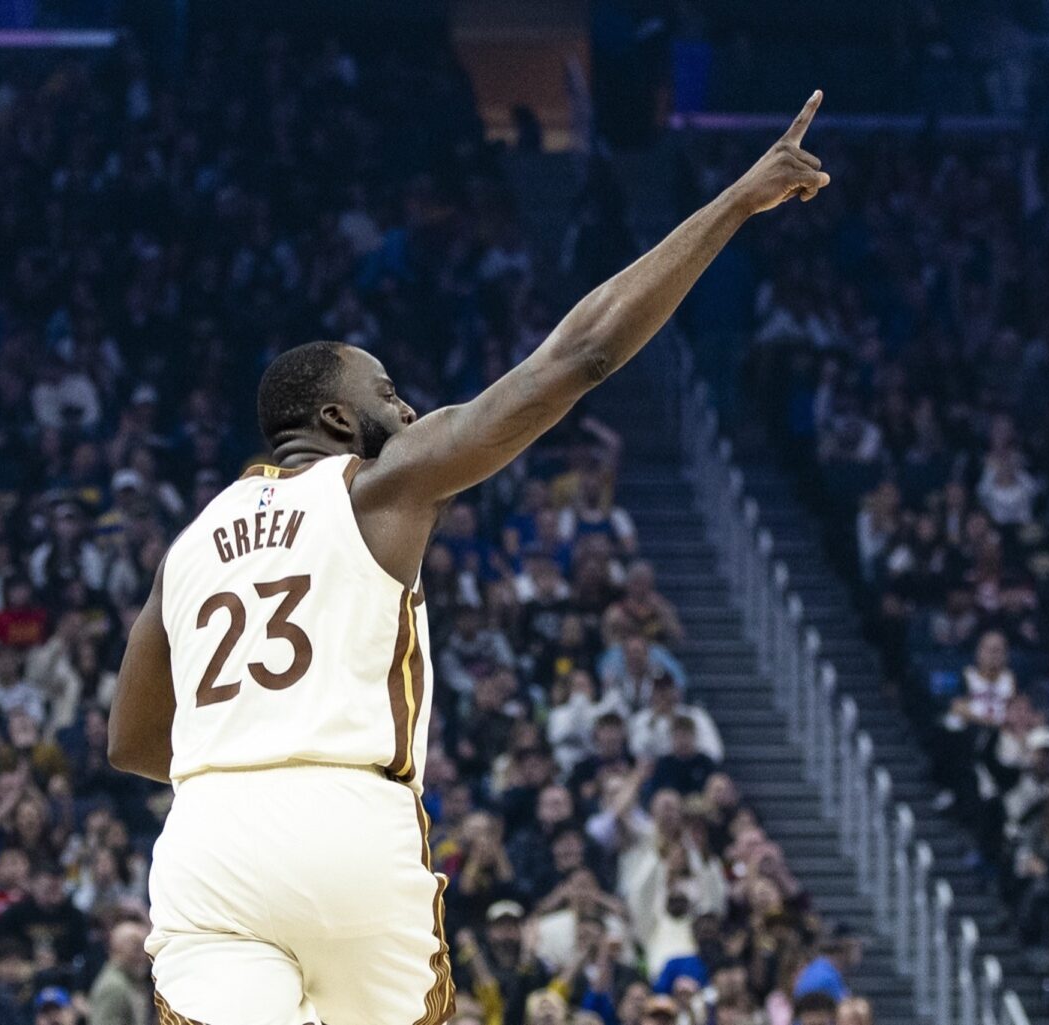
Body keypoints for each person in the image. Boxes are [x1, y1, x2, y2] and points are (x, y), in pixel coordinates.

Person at [109, 92, 830, 1025]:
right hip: (346, 823)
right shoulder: (378, 483)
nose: (406, 412)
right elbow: (584, 355)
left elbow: (131, 743)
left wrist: (244, 759)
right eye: (390, 393)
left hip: (208, 837)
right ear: (336, 419)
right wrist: (734, 202)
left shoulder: (190, 544)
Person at [89, 920, 154, 1025]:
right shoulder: (114, 986)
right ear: (117, 948)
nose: (143, 955)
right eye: (136, 948)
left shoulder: (131, 981)